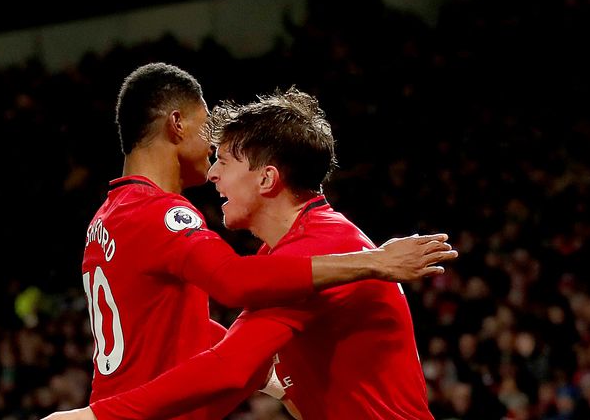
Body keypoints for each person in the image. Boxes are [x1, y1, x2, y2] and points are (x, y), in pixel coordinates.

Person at [47, 64, 456, 420]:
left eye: (224, 161)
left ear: (266, 178)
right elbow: (211, 326)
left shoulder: (110, 214)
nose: (212, 172)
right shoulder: (277, 259)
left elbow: (230, 361)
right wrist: (372, 262)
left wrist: (98, 414)